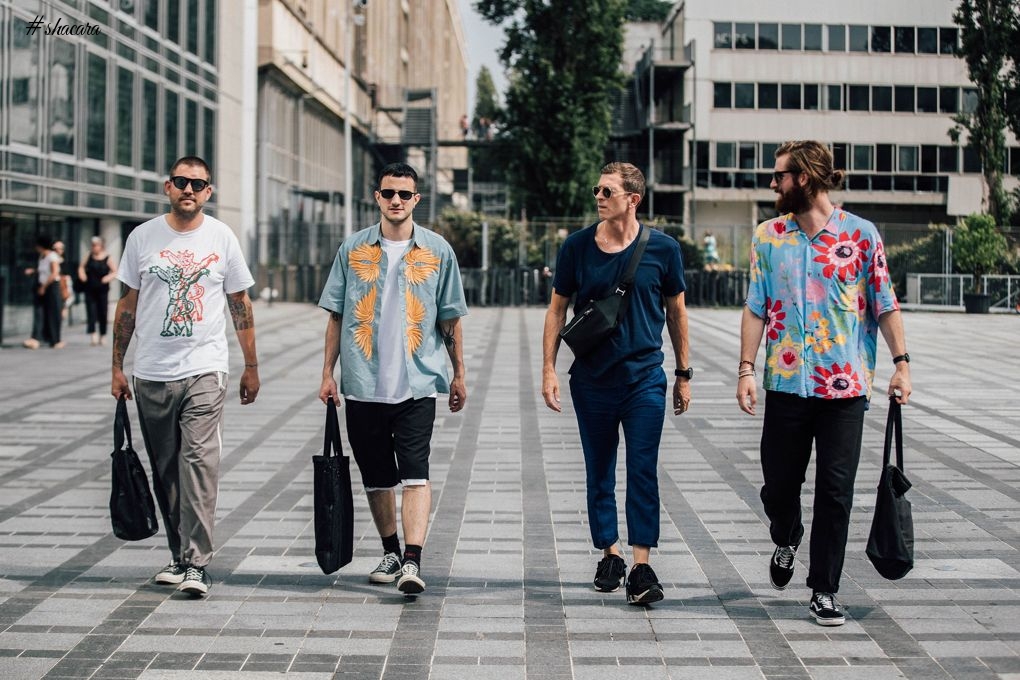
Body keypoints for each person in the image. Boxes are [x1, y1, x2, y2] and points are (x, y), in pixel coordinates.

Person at [736, 140, 911, 626]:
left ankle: (824, 588)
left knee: (836, 491)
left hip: (845, 388)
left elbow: (885, 303)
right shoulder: (769, 237)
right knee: (778, 487)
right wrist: (747, 369)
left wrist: (902, 363)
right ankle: (787, 534)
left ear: (807, 178)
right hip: (787, 385)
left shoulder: (861, 234)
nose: (774, 183)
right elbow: (756, 307)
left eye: (781, 176)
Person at [542, 162, 691, 605]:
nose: (599, 196)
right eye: (597, 190)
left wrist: (683, 374)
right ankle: (610, 552)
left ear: (633, 199)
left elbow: (677, 313)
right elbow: (557, 309)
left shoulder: (663, 249)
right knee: (599, 469)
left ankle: (642, 566)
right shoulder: (576, 248)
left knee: (642, 469)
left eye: (607, 191)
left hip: (645, 379)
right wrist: (548, 369)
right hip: (592, 382)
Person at [111, 155, 260, 598]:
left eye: (198, 184)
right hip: (152, 372)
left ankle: (197, 562)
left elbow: (241, 303)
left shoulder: (222, 236)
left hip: (204, 370)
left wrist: (251, 366)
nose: (189, 189)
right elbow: (127, 305)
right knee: (166, 471)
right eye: (181, 182)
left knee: (198, 462)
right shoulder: (142, 237)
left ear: (209, 192)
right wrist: (117, 366)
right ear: (167, 187)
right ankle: (179, 556)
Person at [318, 162, 467, 596]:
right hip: (363, 383)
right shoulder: (353, 249)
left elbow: (451, 318)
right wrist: (327, 373)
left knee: (415, 471)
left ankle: (413, 560)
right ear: (377, 197)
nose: (396, 200)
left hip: (418, 383)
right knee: (377, 475)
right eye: (389, 193)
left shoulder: (438, 251)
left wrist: (459, 375)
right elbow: (336, 315)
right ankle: (390, 549)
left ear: (417, 199)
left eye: (404, 193)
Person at [23, 235, 64, 350]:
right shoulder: (42, 257)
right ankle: (37, 337)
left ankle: (55, 340)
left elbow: (54, 273)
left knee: (53, 312)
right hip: (42, 286)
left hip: (51, 287)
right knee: (40, 311)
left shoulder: (52, 257)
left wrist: (44, 287)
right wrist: (33, 271)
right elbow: (43, 271)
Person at [78, 236, 118, 346]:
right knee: (91, 311)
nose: (94, 247)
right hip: (90, 287)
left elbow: (115, 271)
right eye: (93, 245)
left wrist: (107, 278)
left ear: (101, 246)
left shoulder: (108, 257)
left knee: (102, 312)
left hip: (102, 289)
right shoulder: (88, 255)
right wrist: (82, 275)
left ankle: (103, 335)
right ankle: (93, 334)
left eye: (96, 245)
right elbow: (81, 267)